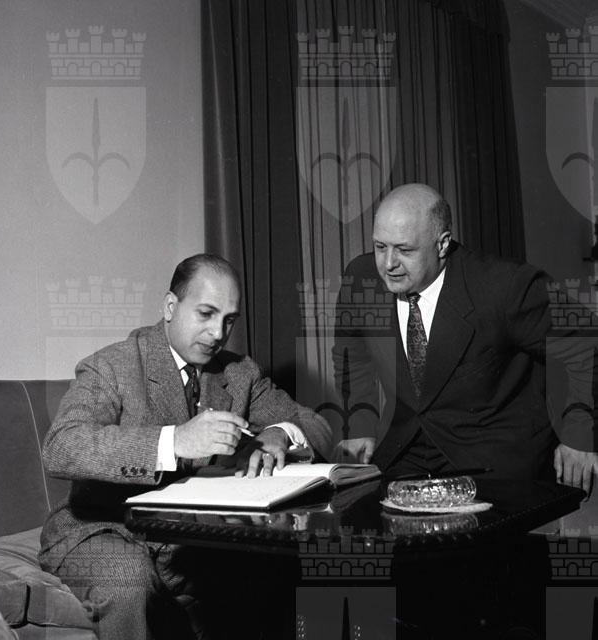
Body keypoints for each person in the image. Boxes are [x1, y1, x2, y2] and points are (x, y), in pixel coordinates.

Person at [39, 254, 332, 640]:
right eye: (206, 313)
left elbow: (318, 426)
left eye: (229, 320)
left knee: (282, 565)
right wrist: (173, 441)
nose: (218, 333)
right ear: (170, 307)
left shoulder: (239, 373)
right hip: (101, 529)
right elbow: (61, 446)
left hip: (190, 541)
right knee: (128, 581)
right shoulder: (112, 366)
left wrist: (278, 432)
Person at [333, 182, 598, 487]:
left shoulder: (505, 285)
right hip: (403, 454)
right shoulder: (362, 277)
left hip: (495, 461)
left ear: (442, 244)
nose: (388, 264)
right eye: (380, 247)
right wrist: (360, 425)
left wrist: (580, 435)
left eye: (404, 250)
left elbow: (587, 345)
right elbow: (351, 355)